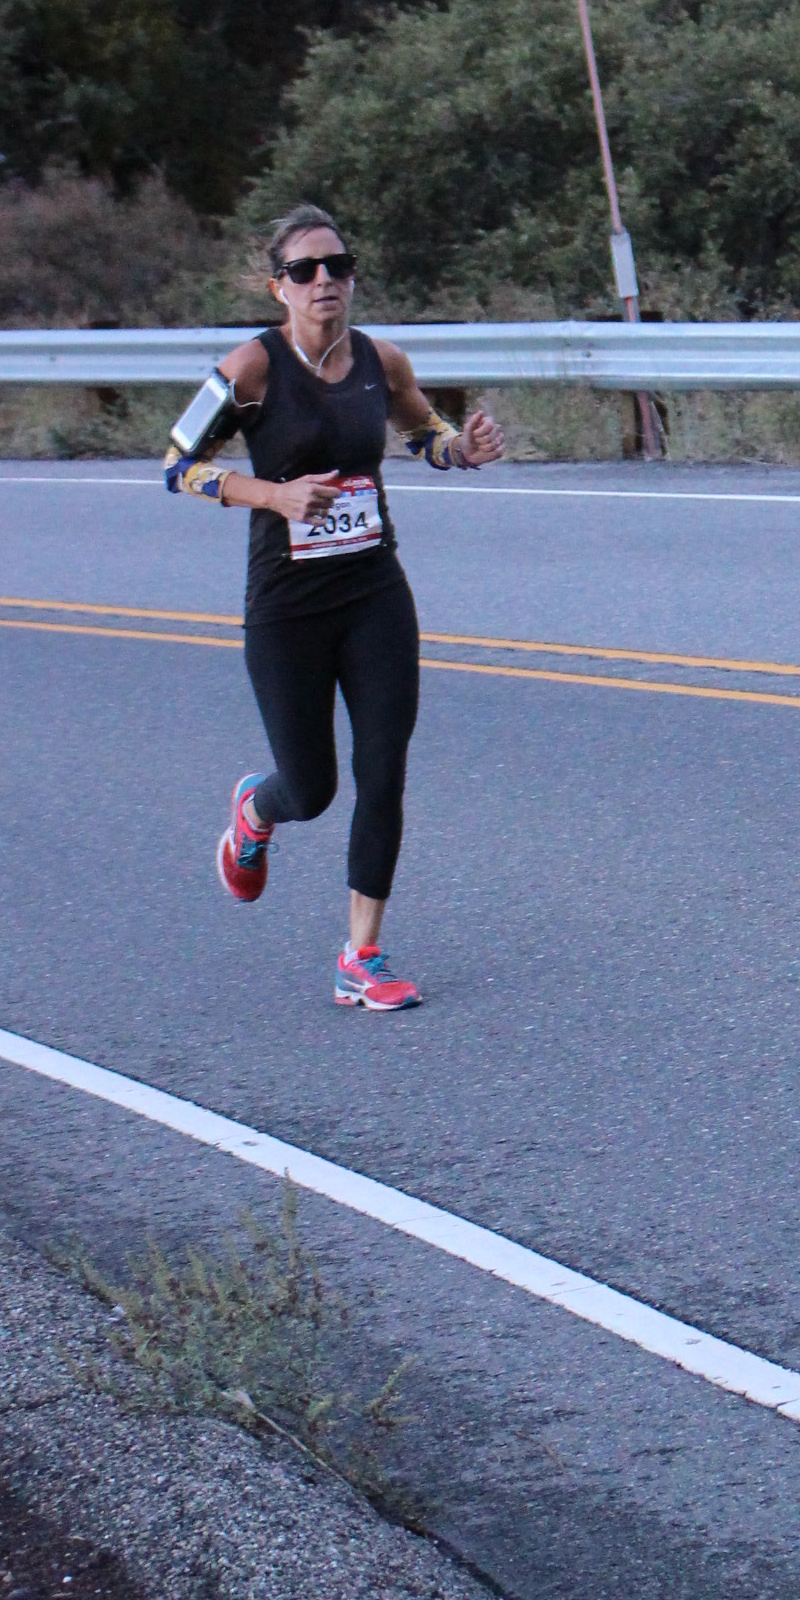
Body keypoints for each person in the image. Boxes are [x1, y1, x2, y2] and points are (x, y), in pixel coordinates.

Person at [164, 204, 504, 1009]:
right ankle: (256, 810)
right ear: (278, 287)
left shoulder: (382, 361)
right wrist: (272, 494)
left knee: (383, 770)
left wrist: (460, 450)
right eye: (305, 270)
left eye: (338, 266)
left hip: (373, 591)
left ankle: (362, 955)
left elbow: (423, 432)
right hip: (287, 605)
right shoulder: (250, 368)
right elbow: (178, 466)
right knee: (311, 789)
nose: (325, 281)